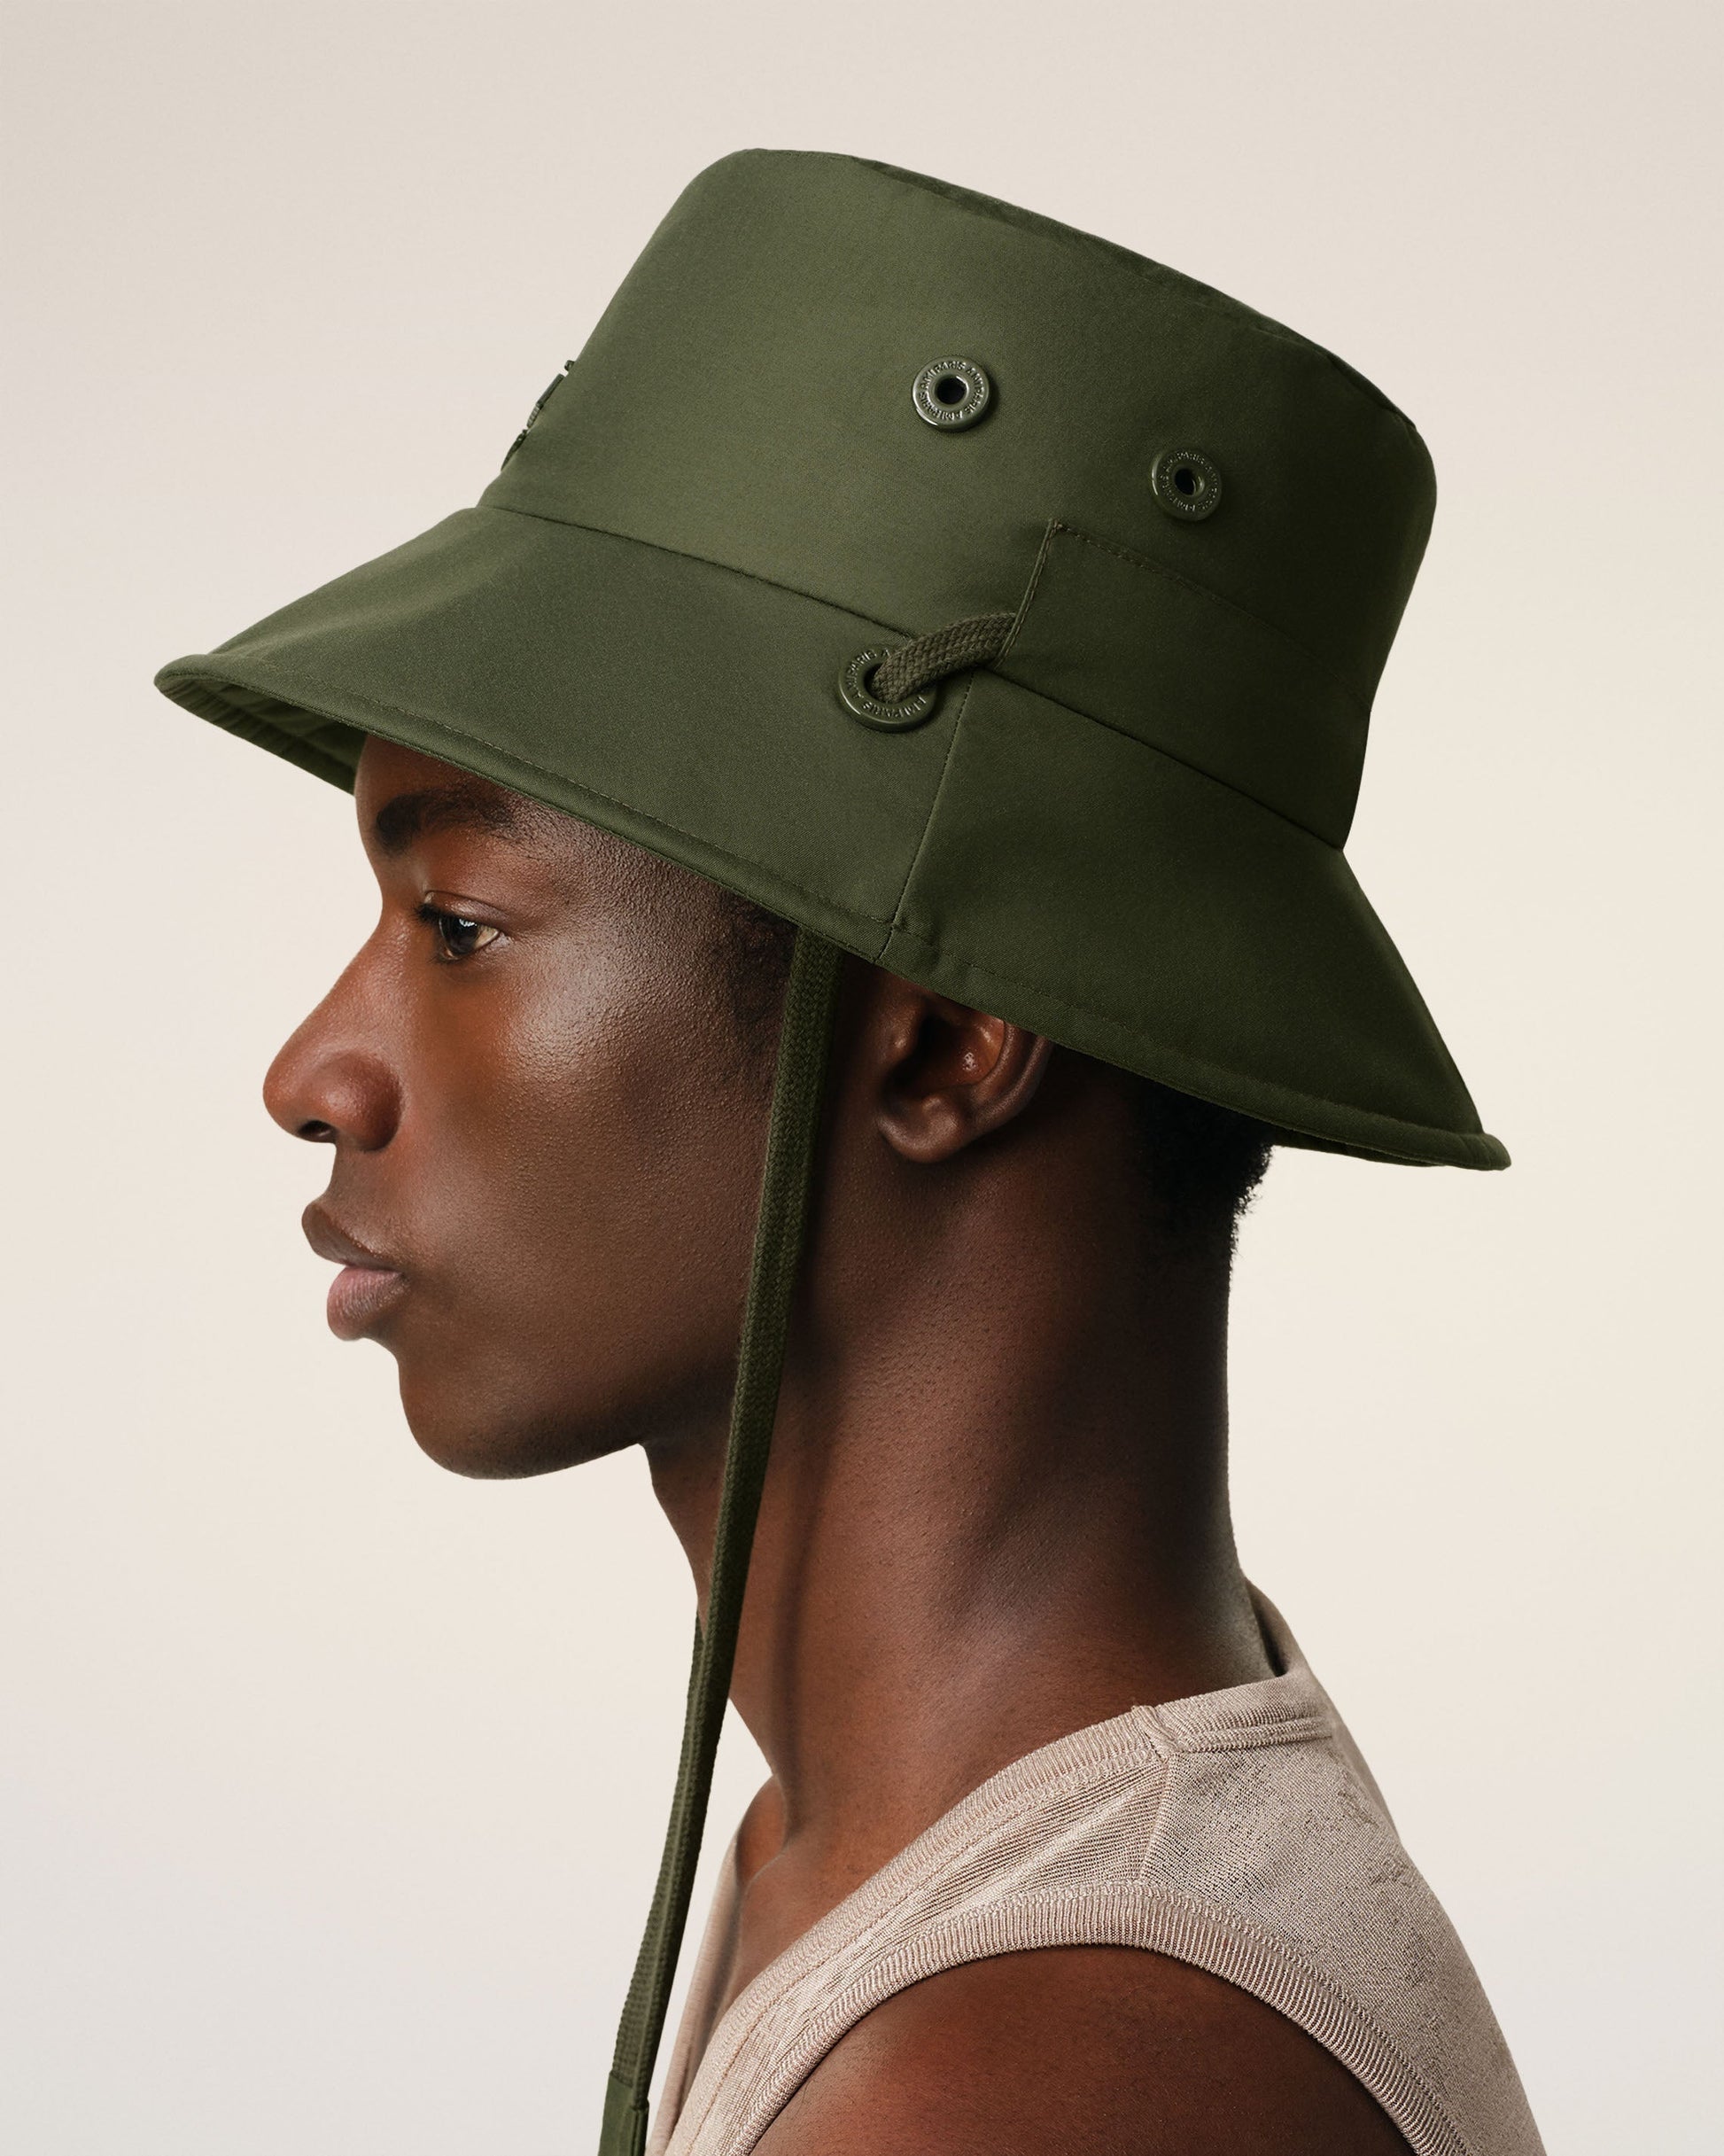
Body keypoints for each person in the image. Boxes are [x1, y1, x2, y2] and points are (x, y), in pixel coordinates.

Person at [156, 151, 1544, 2153]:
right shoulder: (915, 1872)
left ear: (947, 1039)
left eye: (458, 925)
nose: (314, 1072)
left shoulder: (1027, 2081)